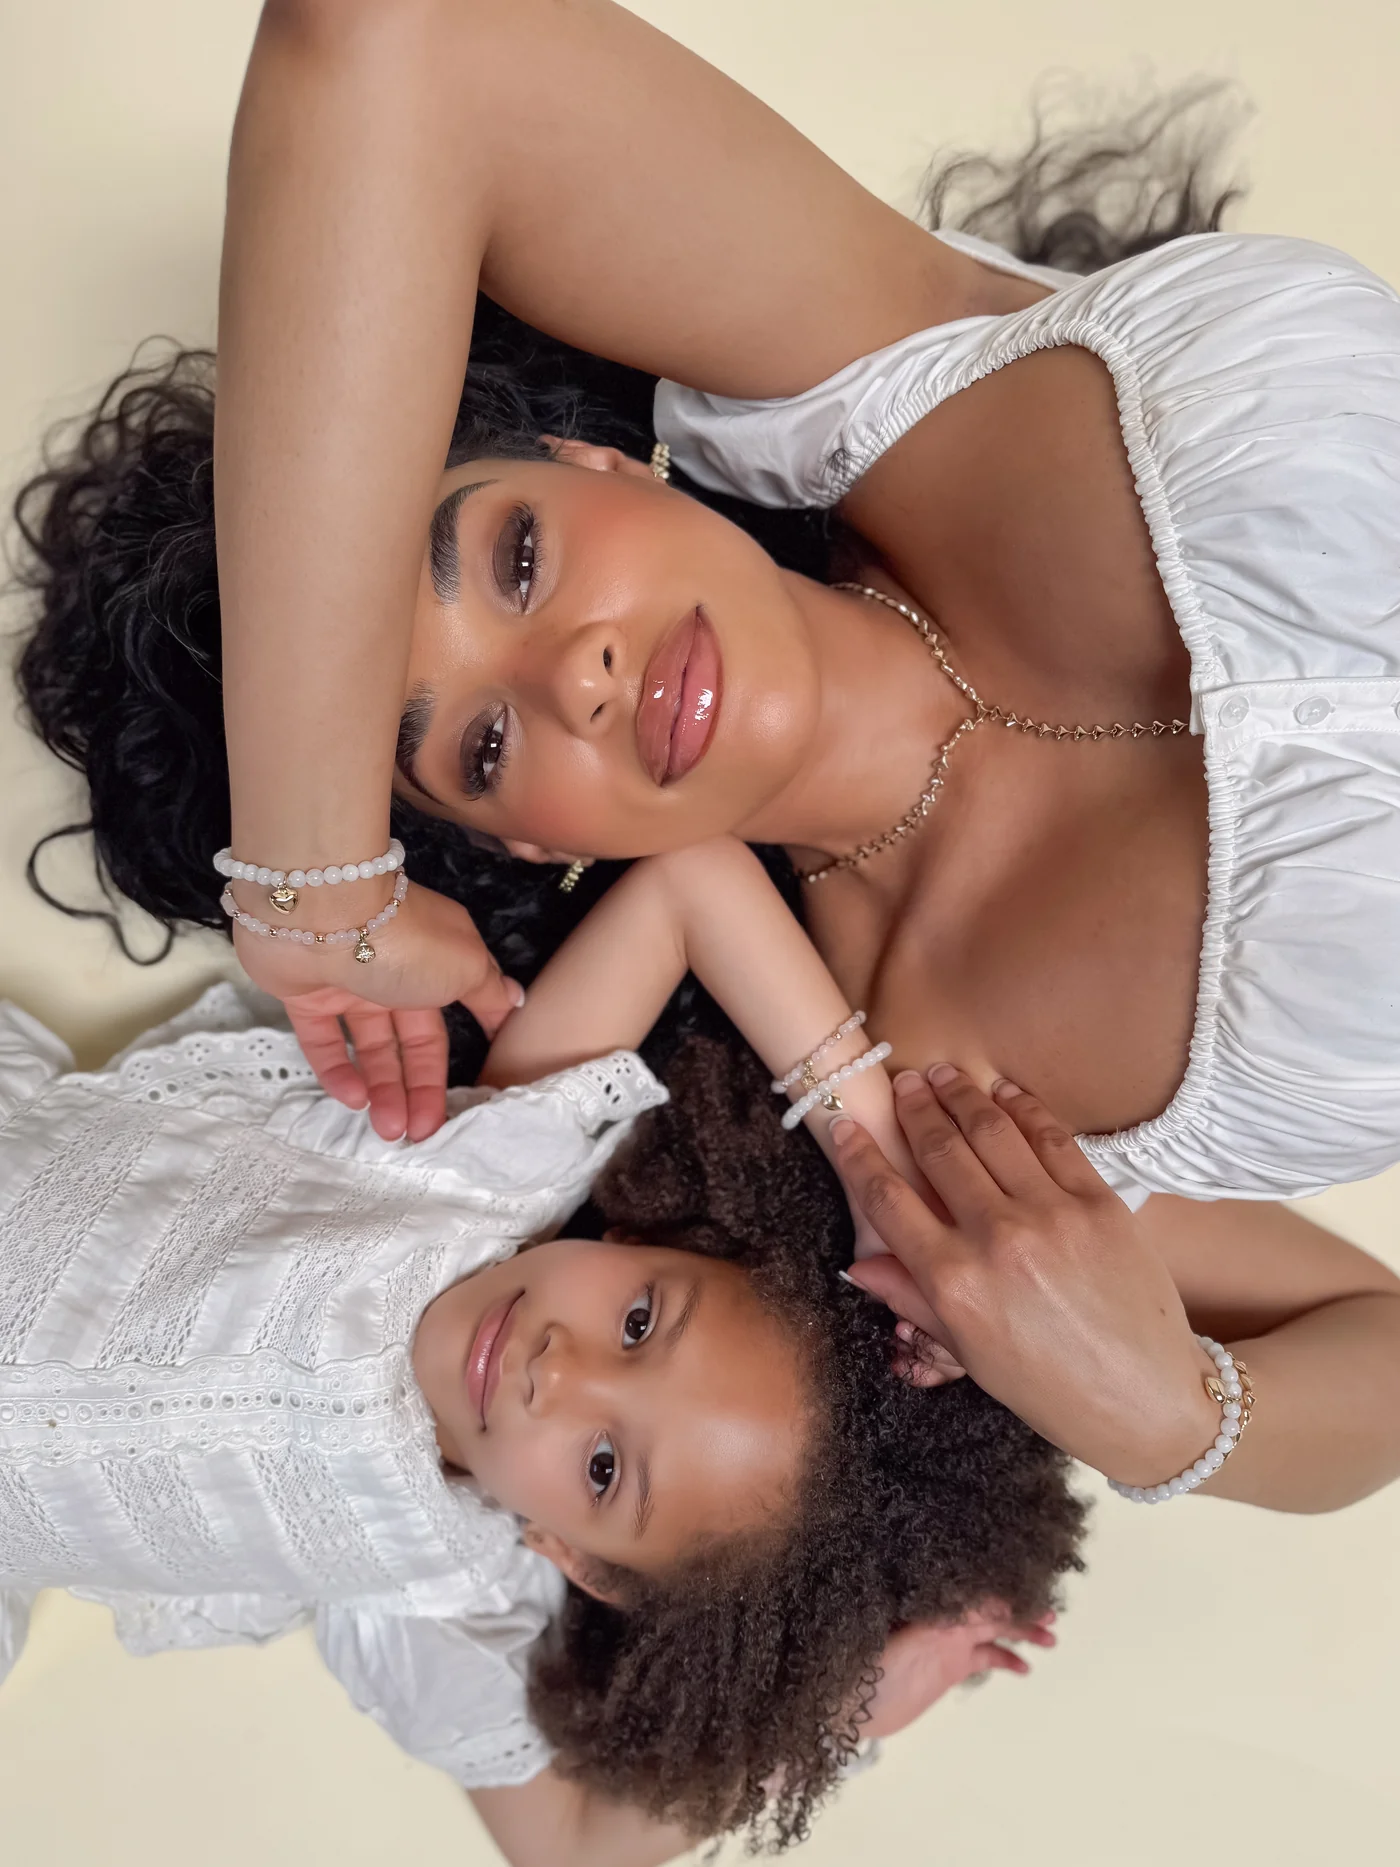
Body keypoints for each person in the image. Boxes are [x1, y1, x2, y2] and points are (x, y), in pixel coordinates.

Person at [11, 4, 1400, 1556]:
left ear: (598, 464)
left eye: (516, 558)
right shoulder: (928, 1109)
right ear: (536, 845)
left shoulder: (883, 370)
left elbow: (395, 34)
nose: (574, 675)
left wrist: (310, 876)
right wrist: (1166, 1416)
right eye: (481, 745)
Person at [0, 840, 1080, 1867]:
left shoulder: (425, 1582)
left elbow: (561, 1844)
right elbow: (691, 887)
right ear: (652, 1237)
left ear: (578, 1561)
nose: (555, 1370)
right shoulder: (482, 1175)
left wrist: (864, 1703)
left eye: (603, 1467)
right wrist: (869, 1163)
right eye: (641, 1322)